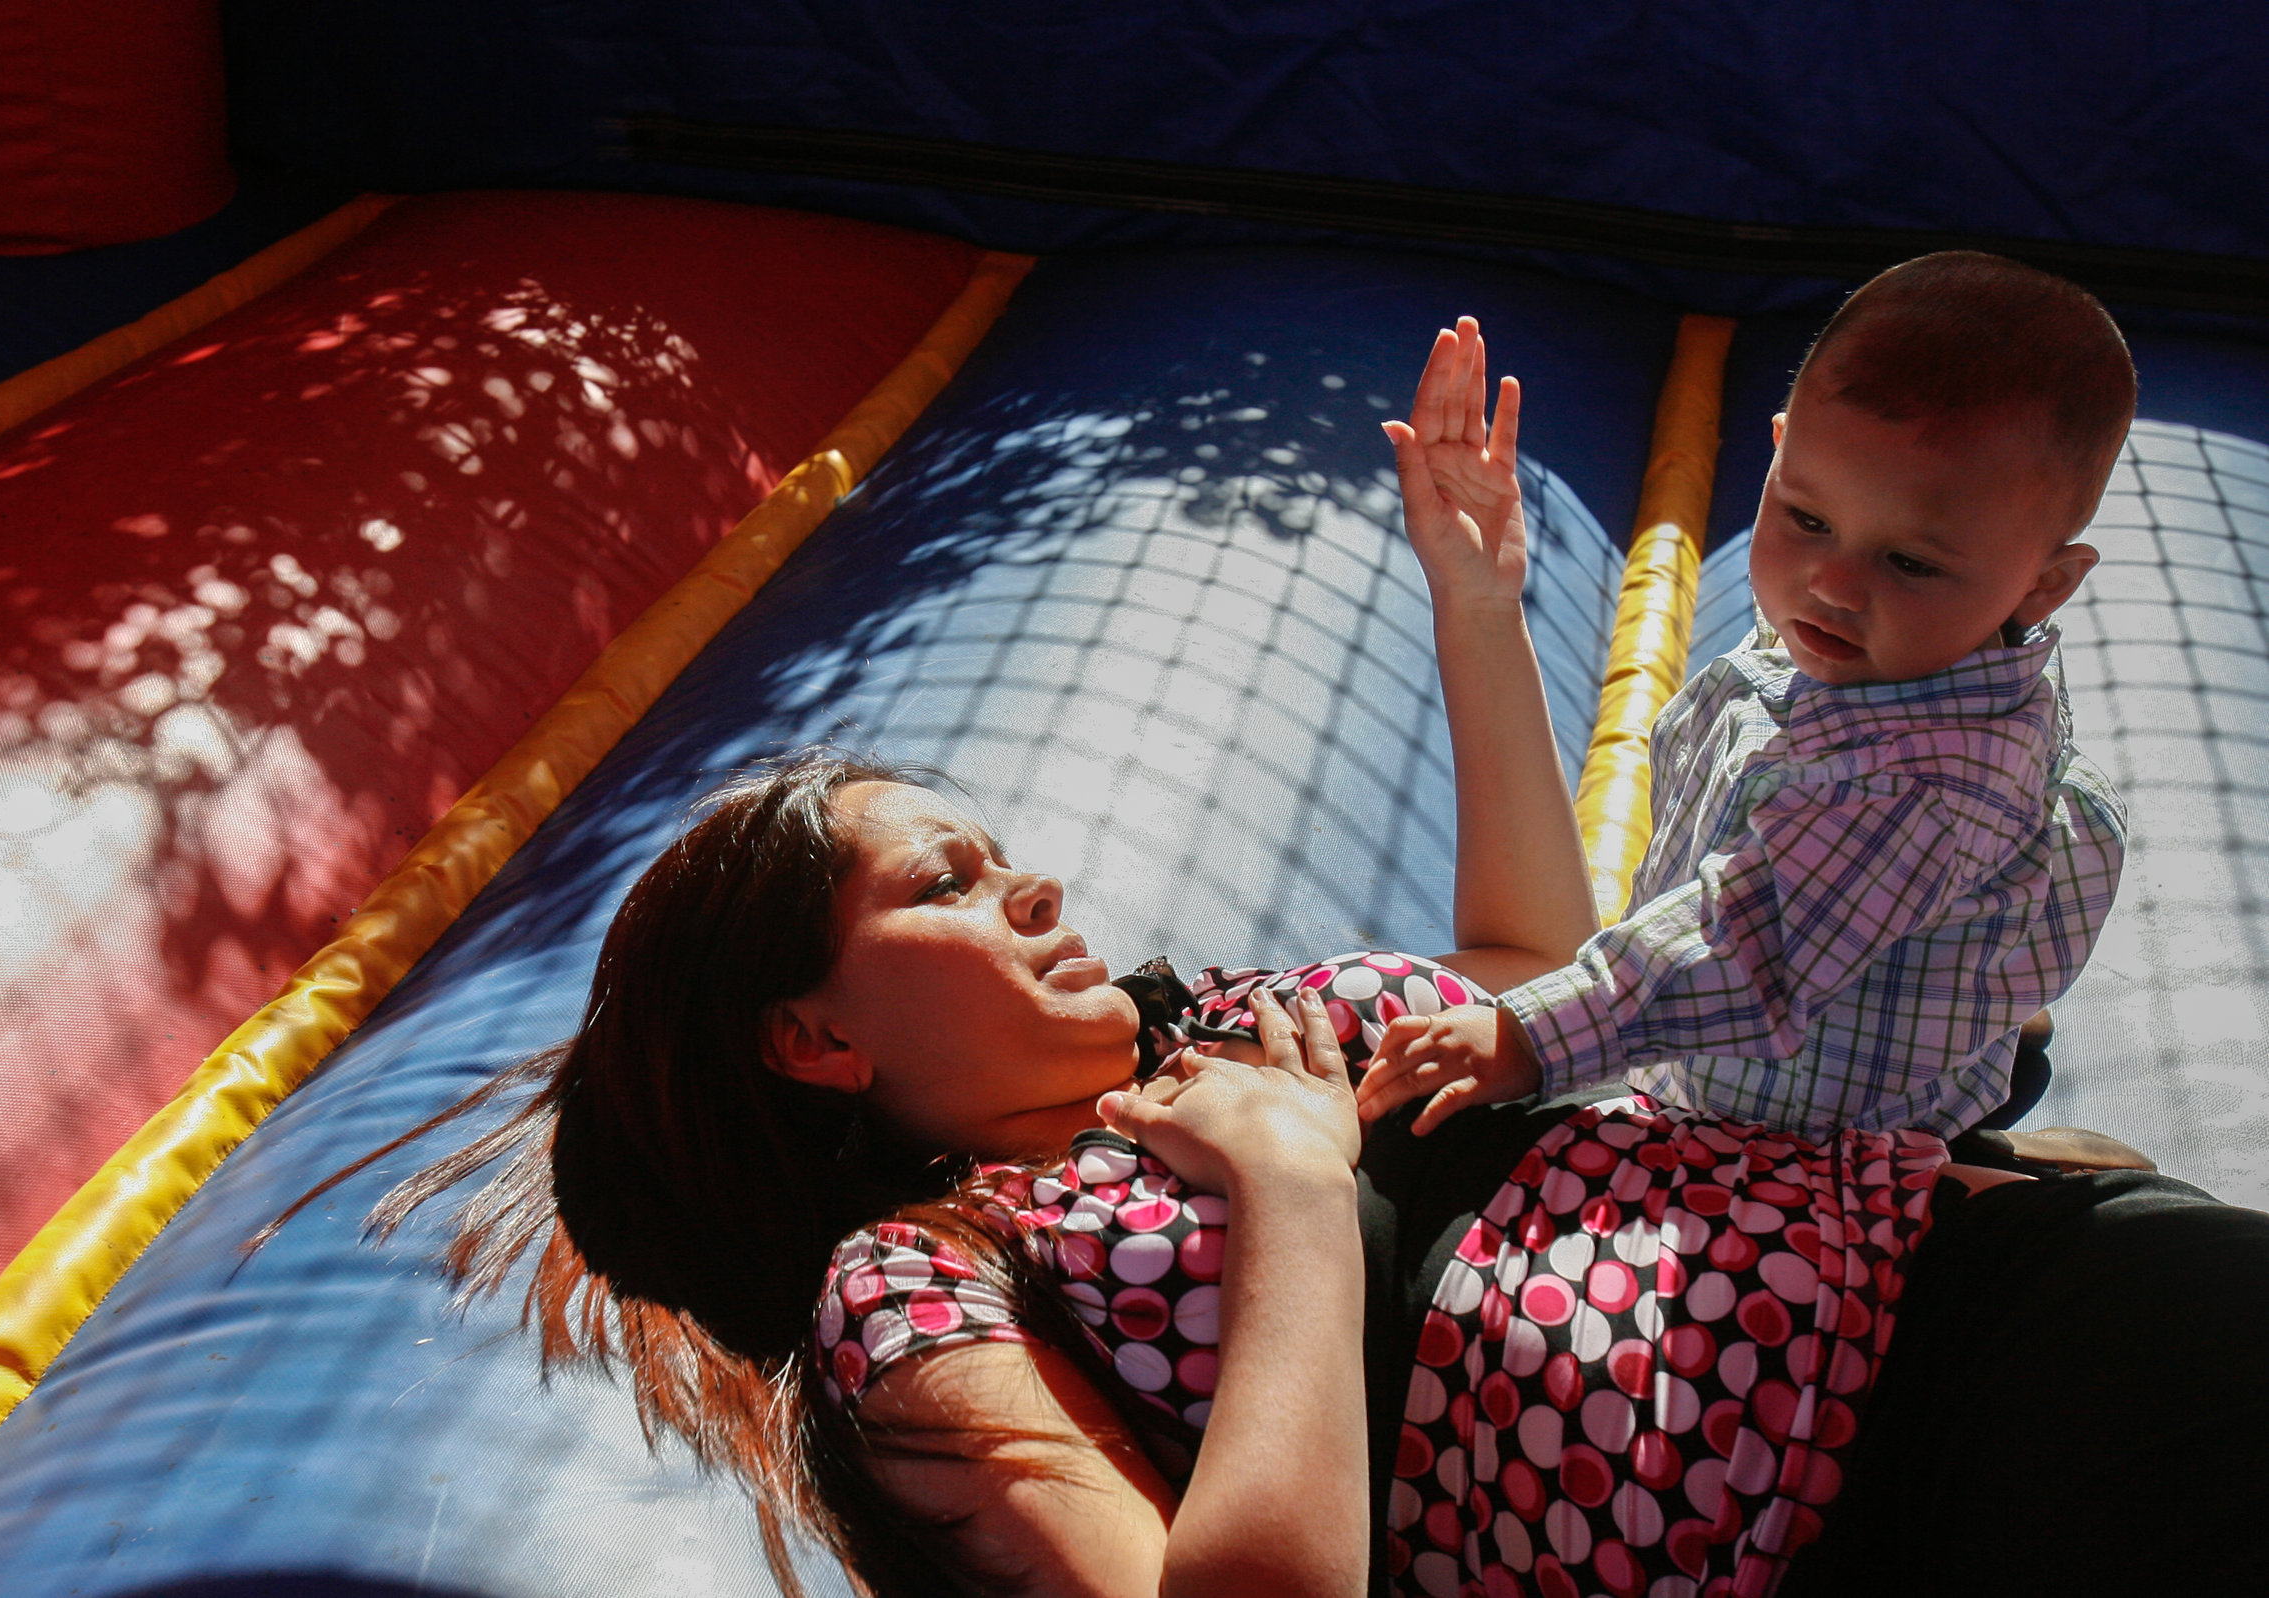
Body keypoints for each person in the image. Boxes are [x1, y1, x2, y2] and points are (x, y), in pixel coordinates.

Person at [272, 752, 2264, 1598]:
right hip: (1906, 1495)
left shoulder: (1223, 1013)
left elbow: (1510, 990)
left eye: (997, 848)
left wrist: (1476, 603)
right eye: (942, 884)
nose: (1028, 879)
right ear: (816, 1036)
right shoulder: (926, 1279)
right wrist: (1294, 1194)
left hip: (2015, 1282)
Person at [1370, 253, 2132, 1140]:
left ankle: (1976, 1167)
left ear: (2046, 585)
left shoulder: (1919, 786)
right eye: (1807, 518)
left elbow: (1744, 954)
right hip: (1824, 1009)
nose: (1833, 584)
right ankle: (1958, 1004)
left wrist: (1529, 1036)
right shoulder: (1884, 646)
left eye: (1911, 563)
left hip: (1801, 1141)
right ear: (1777, 454)